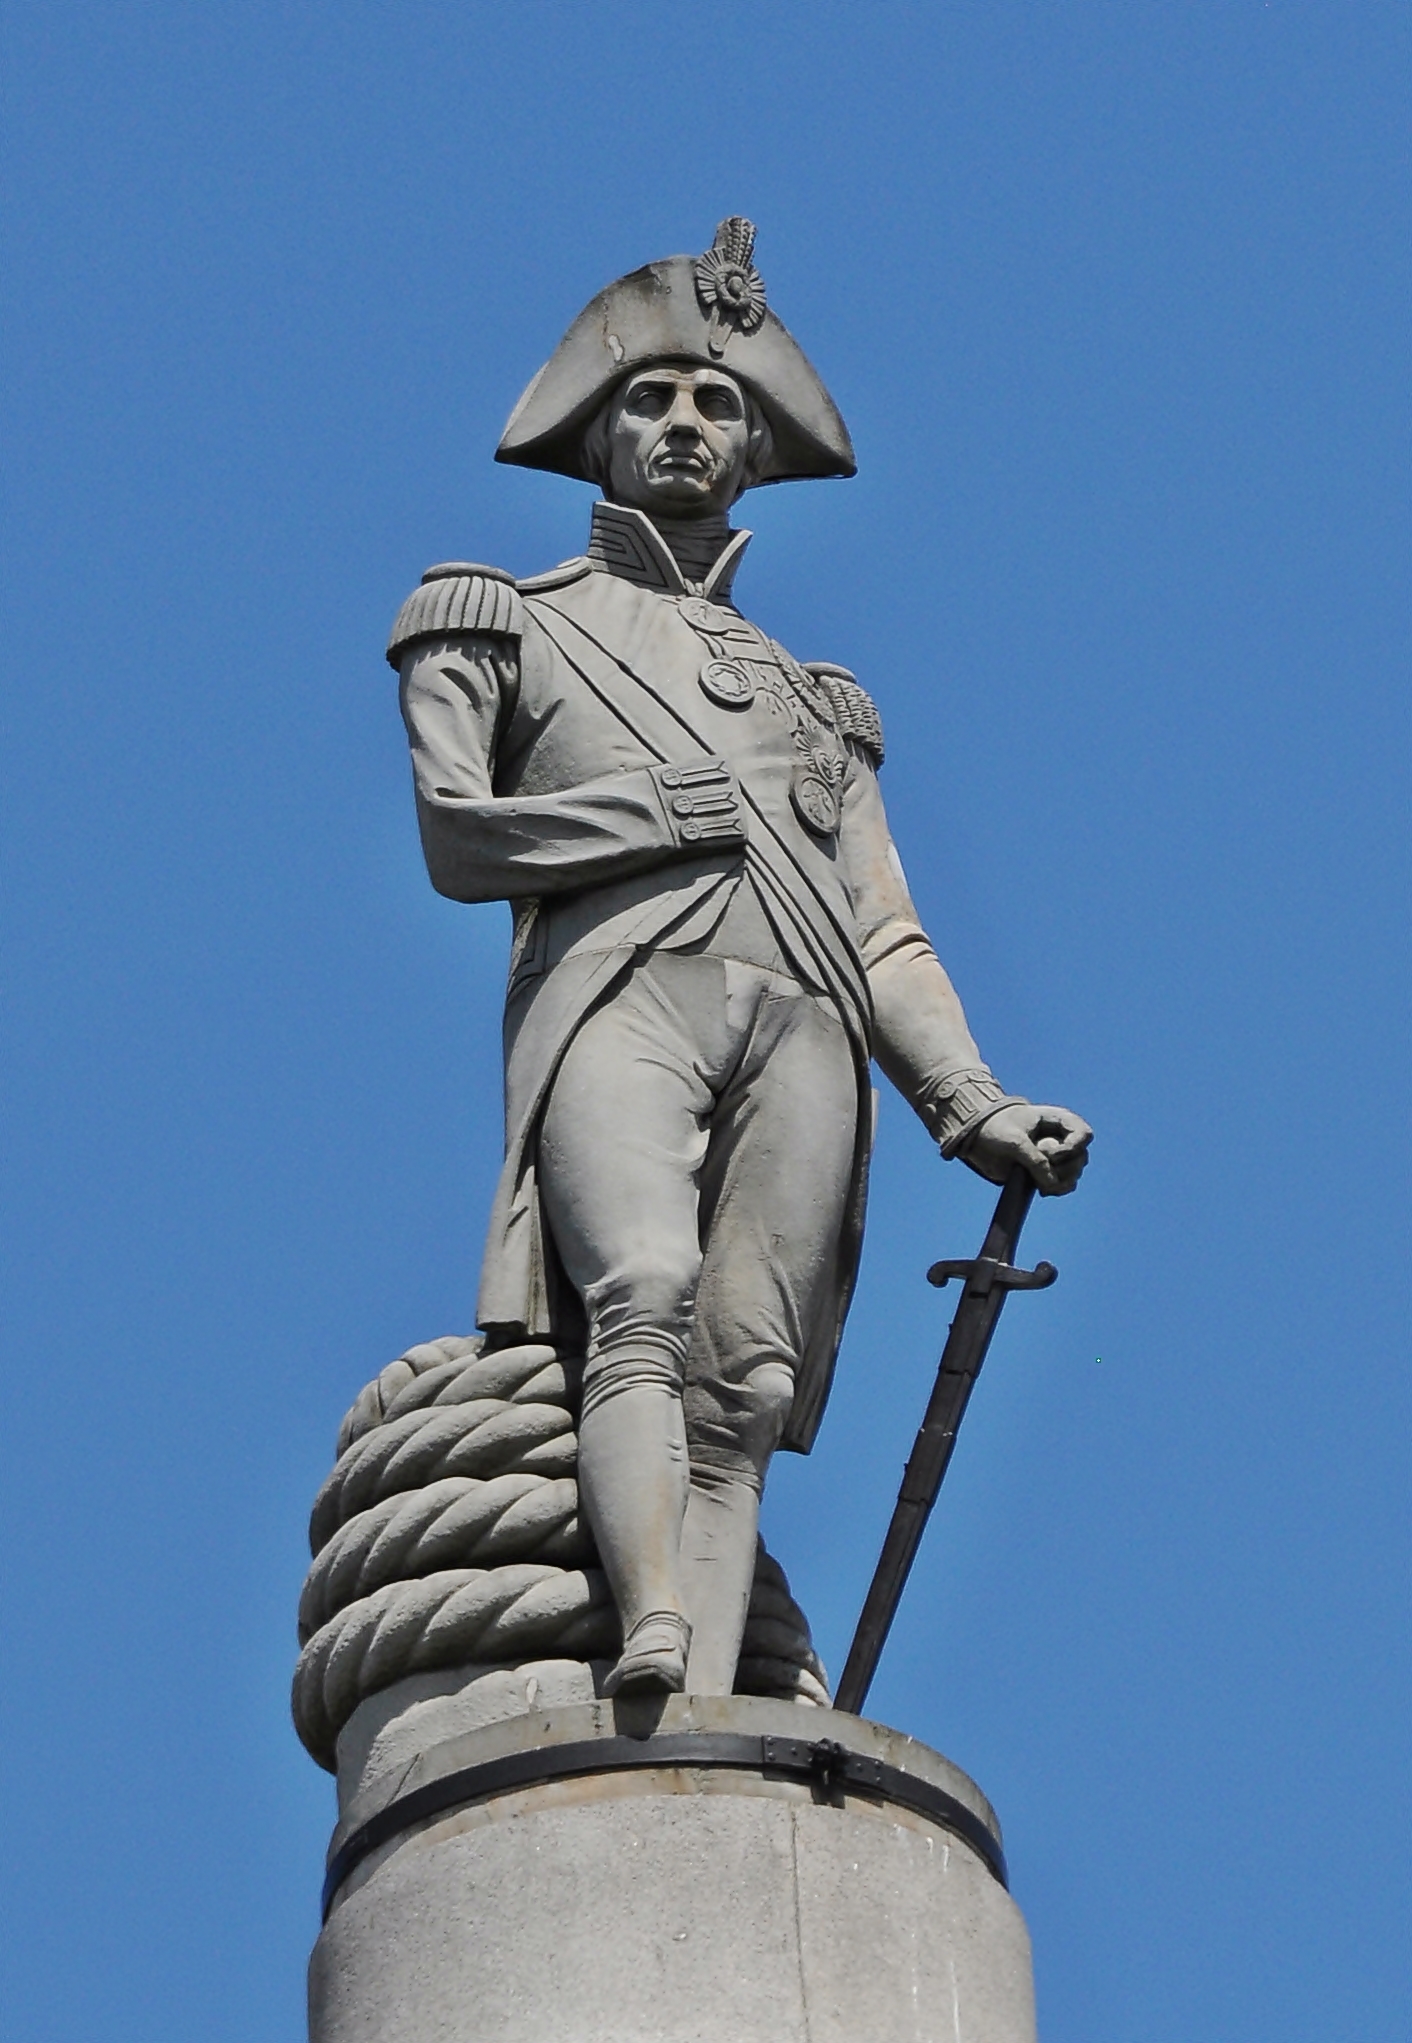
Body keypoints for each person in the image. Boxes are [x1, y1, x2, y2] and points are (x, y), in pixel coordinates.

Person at [388, 219, 1091, 1700]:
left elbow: (883, 928)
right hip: (620, 995)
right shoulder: (504, 621)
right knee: (639, 1283)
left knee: (749, 1378)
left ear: (757, 450)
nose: (685, 426)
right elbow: (460, 840)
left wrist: (970, 1104)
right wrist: (643, 811)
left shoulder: (816, 700)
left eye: (717, 406)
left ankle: (705, 1682)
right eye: (651, 400)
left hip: (808, 1023)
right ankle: (648, 1627)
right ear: (598, 437)